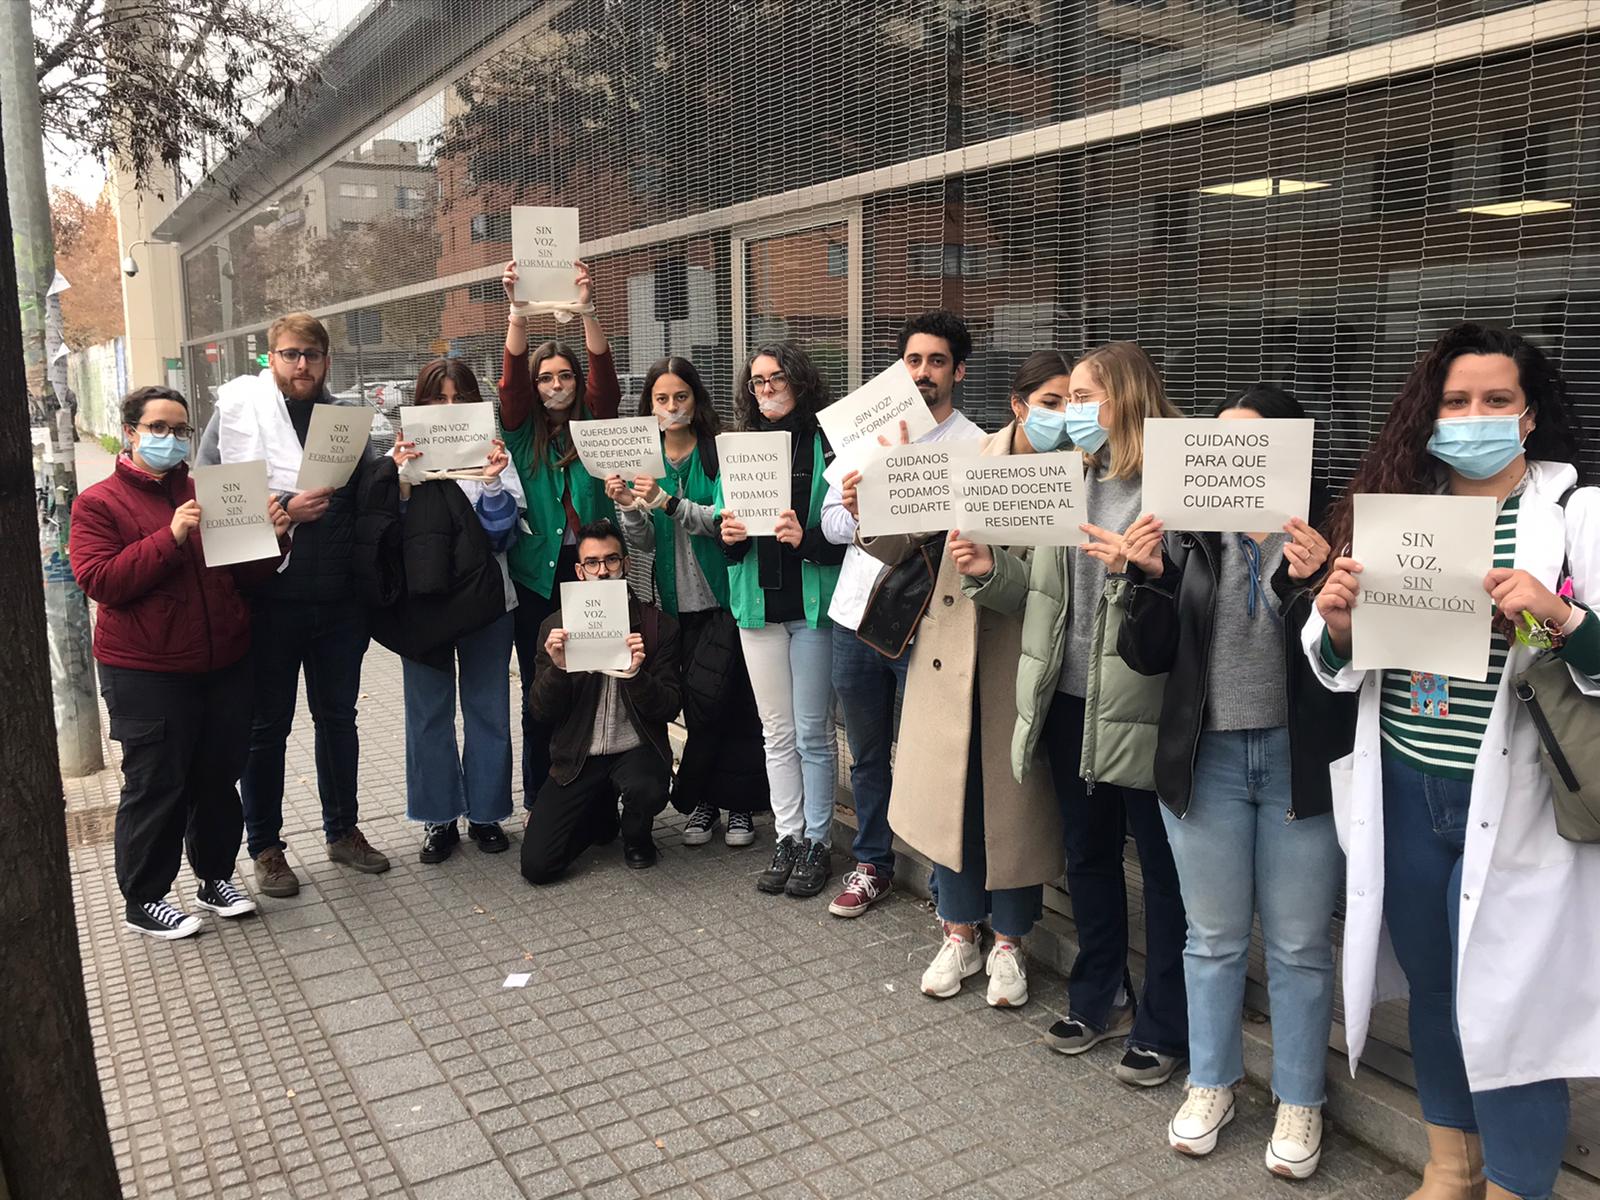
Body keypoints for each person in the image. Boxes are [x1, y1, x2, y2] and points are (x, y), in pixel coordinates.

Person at [1307, 323, 1600, 1200]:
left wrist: (1565, 616)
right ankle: (1450, 1166)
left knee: (1513, 1005)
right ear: (1429, 415)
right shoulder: (1399, 506)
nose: (1474, 416)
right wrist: (1337, 623)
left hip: (1516, 803)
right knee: (1433, 992)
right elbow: (1329, 662)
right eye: (1456, 401)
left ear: (1529, 415)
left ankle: (1516, 1184)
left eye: (1496, 401)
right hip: (1404, 784)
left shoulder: (1577, 515)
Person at [1113, 384, 1353, 1178]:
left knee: (1297, 944)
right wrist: (1144, 578)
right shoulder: (1186, 531)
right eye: (1219, 442)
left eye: (1251, 442)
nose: (1231, 457)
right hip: (1206, 759)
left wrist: (1312, 586)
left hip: (1299, 760)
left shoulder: (1327, 533)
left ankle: (1298, 1098)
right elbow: (1145, 656)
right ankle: (1212, 1082)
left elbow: (1343, 663)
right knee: (1211, 938)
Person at [961, 341, 1189, 1087]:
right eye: (1067, 399)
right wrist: (990, 572)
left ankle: (1164, 1021)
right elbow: (1038, 593)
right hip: (1067, 699)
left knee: (1160, 870)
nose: (1073, 412)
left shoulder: (1175, 484)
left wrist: (1149, 571)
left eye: (1086, 397)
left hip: (1142, 706)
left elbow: (1195, 604)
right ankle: (1099, 996)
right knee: (1088, 857)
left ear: (1126, 399)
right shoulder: (1069, 480)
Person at [857, 351, 1066, 1002]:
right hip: (950, 660)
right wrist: (877, 492)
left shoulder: (1075, 476)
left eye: (1075, 403)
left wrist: (988, 568)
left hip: (1021, 663)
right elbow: (894, 546)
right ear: (1019, 403)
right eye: (1053, 402)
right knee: (956, 798)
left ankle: (1010, 943)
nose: (1064, 416)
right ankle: (957, 933)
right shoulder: (967, 459)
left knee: (1014, 807)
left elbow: (1051, 593)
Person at [71, 386, 291, 938]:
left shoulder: (207, 490)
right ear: (131, 433)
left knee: (218, 778)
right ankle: (145, 896)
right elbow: (100, 581)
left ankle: (214, 877)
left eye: (181, 430)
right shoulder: (99, 502)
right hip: (148, 670)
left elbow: (245, 575)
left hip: (223, 662)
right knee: (157, 783)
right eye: (159, 428)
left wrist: (274, 540)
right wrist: (169, 537)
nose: (171, 439)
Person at [199, 312, 389, 897]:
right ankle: (266, 847)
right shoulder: (236, 417)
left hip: (338, 607)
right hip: (269, 601)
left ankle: (342, 831)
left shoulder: (346, 424)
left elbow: (366, 504)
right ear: (270, 359)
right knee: (266, 730)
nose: (300, 364)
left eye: (310, 354)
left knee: (339, 722)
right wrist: (283, 504)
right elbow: (214, 498)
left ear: (326, 360)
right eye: (288, 354)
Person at [821, 310, 987, 920]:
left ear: (958, 371)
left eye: (936, 361)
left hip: (929, 627)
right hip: (856, 620)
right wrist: (857, 503)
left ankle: (948, 883)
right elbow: (830, 524)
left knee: (935, 754)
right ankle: (873, 865)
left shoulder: (977, 446)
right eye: (913, 360)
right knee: (866, 753)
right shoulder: (866, 435)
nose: (923, 372)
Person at [356, 359, 523, 864]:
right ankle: (438, 817)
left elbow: (502, 535)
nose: (449, 407)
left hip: (486, 605)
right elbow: (382, 536)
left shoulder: (495, 454)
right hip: (422, 607)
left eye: (459, 397)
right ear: (419, 405)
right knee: (427, 713)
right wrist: (401, 481)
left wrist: (492, 484)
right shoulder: (398, 458)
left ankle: (489, 813)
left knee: (488, 708)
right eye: (437, 398)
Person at [610, 357, 770, 846]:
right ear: (649, 405)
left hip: (725, 598)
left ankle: (740, 804)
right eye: (662, 399)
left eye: (681, 396)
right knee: (697, 707)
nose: (672, 406)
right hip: (675, 605)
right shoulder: (644, 456)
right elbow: (640, 542)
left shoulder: (717, 453)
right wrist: (626, 506)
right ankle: (703, 802)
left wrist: (665, 501)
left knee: (734, 702)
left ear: (696, 399)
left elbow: (721, 519)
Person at [719, 342, 846, 899]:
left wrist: (808, 539)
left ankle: (819, 840)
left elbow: (849, 531)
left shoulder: (829, 442)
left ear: (799, 379)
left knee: (814, 733)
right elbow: (727, 530)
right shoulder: (742, 448)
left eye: (775, 378)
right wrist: (728, 538)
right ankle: (788, 836)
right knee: (778, 732)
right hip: (758, 611)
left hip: (810, 608)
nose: (765, 389)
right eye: (756, 382)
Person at [498, 259, 620, 809]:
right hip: (536, 580)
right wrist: (518, 315)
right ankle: (542, 796)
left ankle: (593, 793)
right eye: (546, 377)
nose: (555, 385)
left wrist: (589, 309)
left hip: (597, 574)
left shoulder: (594, 426)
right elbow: (511, 388)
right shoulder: (522, 437)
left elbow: (605, 379)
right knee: (541, 687)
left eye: (564, 376)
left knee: (599, 679)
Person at [521, 520, 681, 882]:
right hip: (579, 756)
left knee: (646, 788)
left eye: (611, 561)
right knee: (538, 866)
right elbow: (540, 711)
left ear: (625, 564)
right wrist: (559, 669)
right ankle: (601, 815)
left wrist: (637, 675)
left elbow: (669, 705)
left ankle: (637, 836)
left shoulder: (657, 627)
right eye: (592, 563)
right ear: (579, 571)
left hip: (635, 749)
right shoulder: (554, 627)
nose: (602, 571)